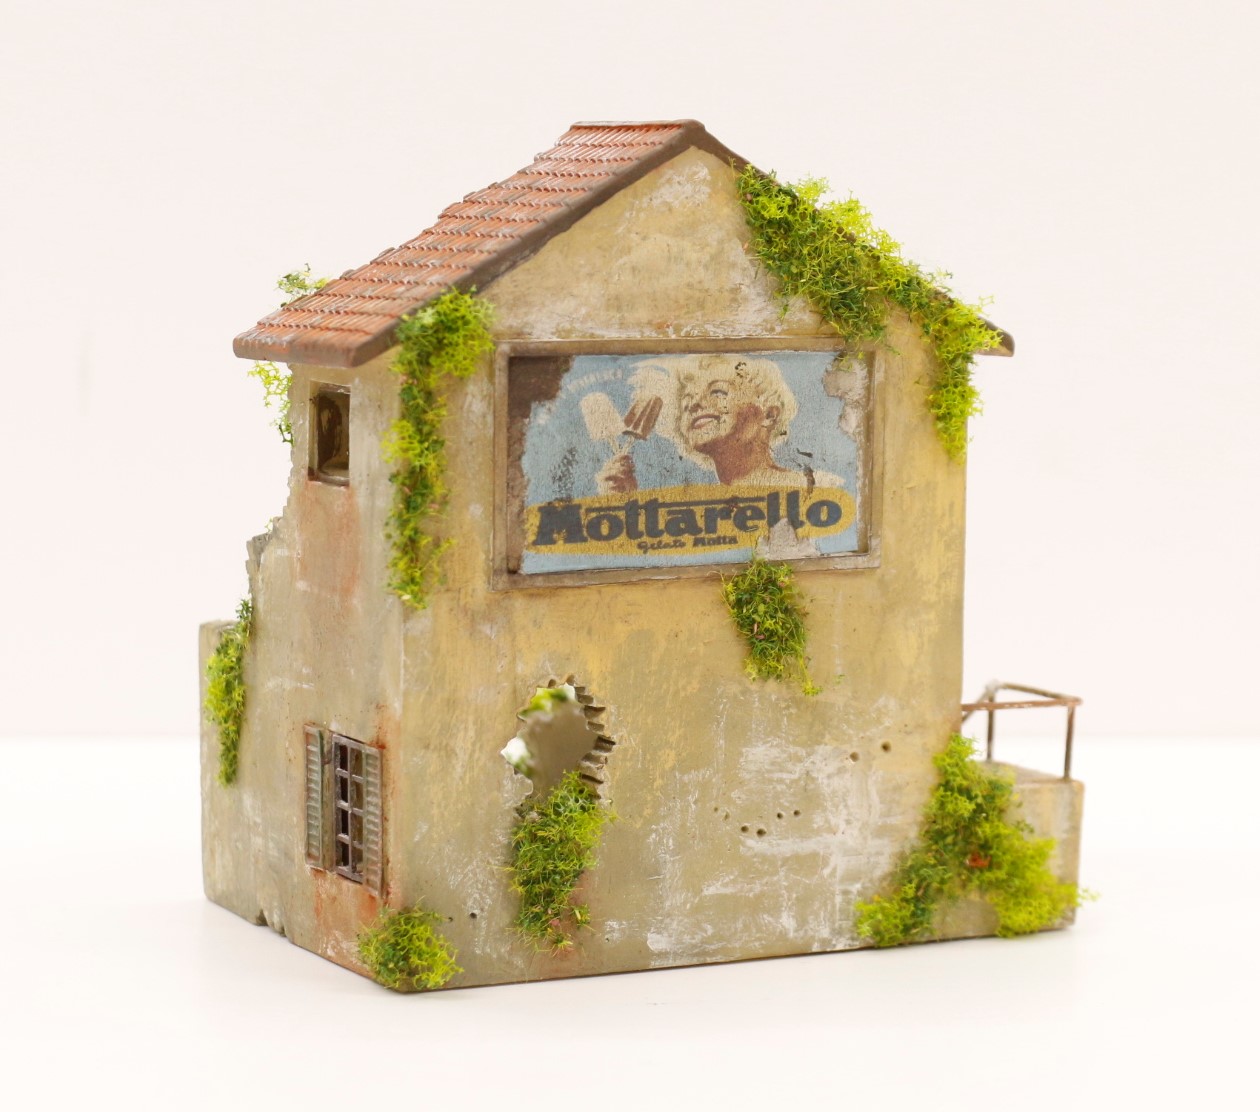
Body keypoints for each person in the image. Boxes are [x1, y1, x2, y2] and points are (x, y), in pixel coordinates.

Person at [596, 354, 837, 492]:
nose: (694, 404)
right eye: (686, 401)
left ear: (769, 415)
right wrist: (622, 503)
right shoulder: (698, 509)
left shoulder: (819, 488)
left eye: (718, 392)